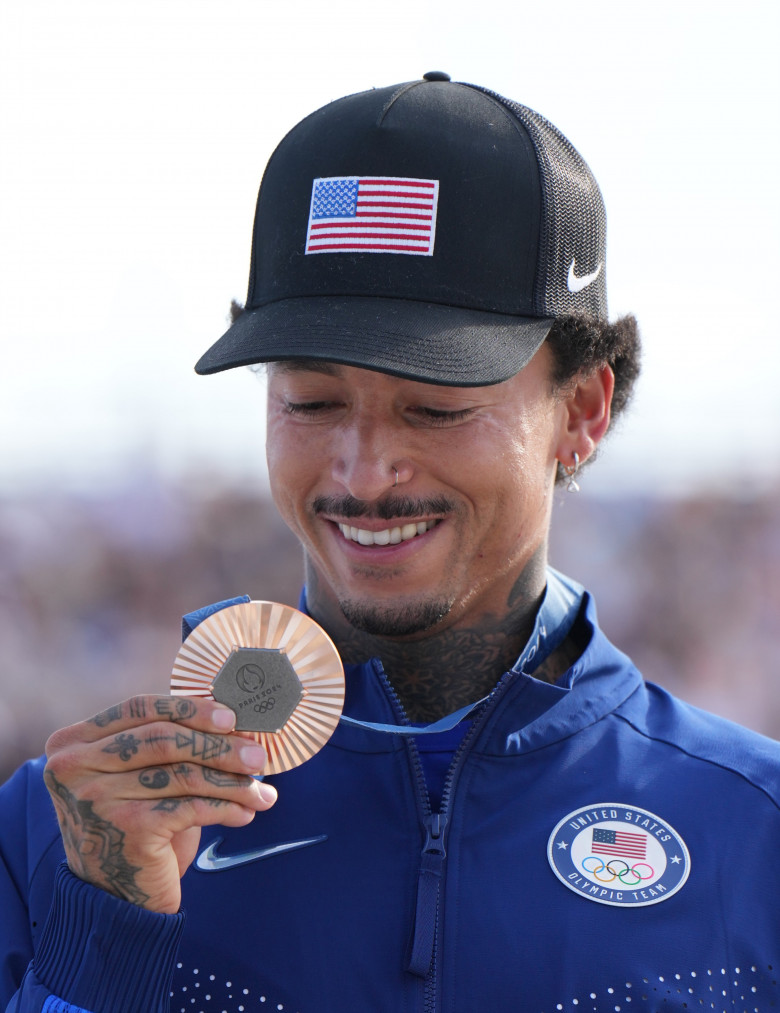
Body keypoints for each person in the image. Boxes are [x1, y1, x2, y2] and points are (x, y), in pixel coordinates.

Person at [1, 73, 778, 1013]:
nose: (364, 474)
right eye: (312, 402)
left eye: (435, 409)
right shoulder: (66, 827)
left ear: (582, 410)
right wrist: (104, 936)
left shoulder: (753, 830)